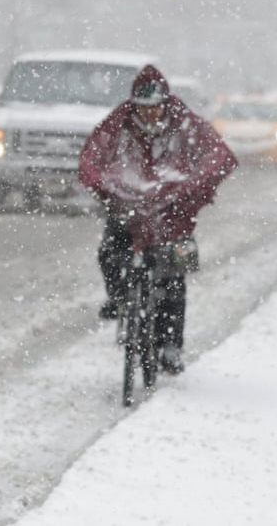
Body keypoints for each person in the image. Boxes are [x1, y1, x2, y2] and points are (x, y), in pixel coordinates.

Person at [79, 65, 237, 374]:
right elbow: (91, 157)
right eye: (143, 109)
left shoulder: (186, 124)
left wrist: (188, 187)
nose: (150, 115)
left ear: (166, 103)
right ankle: (120, 298)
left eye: (155, 109)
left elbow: (219, 156)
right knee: (110, 253)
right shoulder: (119, 123)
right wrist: (105, 186)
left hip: (171, 215)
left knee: (174, 278)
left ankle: (170, 345)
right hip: (128, 208)